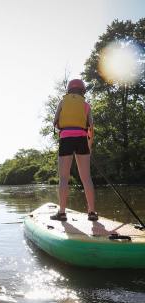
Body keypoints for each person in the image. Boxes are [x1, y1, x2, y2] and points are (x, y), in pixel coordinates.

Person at [51, 79, 98, 221]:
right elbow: (90, 127)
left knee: (64, 178)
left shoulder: (62, 102)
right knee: (86, 178)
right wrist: (89, 146)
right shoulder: (86, 105)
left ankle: (62, 212)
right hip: (82, 139)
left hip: (66, 139)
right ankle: (92, 212)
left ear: (69, 90)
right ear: (83, 91)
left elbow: (55, 122)